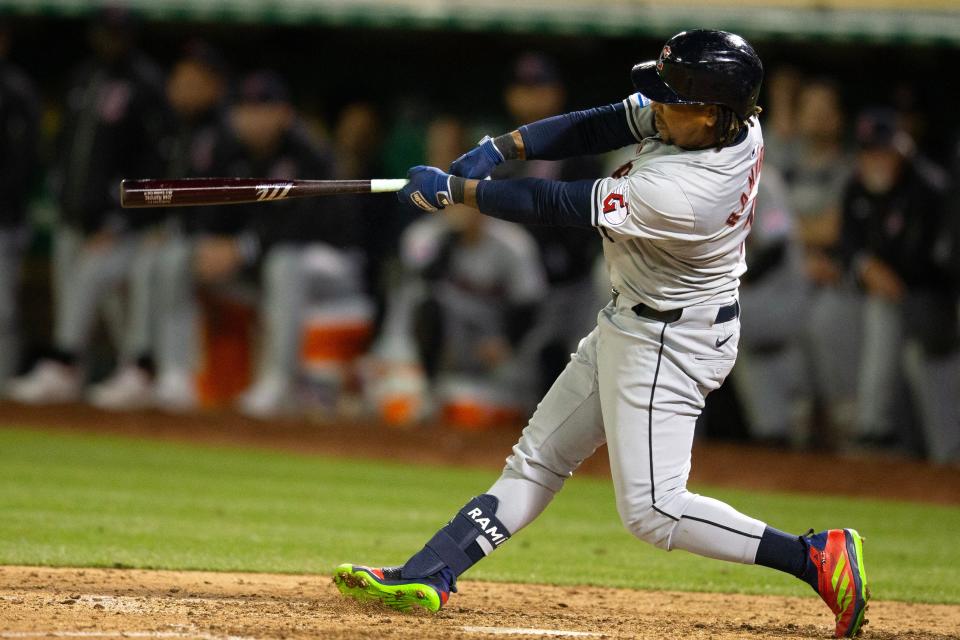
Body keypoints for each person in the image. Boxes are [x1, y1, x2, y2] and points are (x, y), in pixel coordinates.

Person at [333, 30, 869, 638]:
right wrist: (499, 147)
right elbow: (601, 124)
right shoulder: (721, 120)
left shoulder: (687, 192)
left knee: (654, 511)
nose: (657, 108)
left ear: (712, 113)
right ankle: (430, 572)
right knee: (536, 459)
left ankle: (815, 557)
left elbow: (559, 201)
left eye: (673, 101)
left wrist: (459, 193)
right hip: (635, 319)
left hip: (672, 343)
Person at [6, 9, 166, 404]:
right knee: (75, 296)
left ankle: (85, 365)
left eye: (118, 32)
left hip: (120, 223)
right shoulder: (83, 77)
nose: (110, 39)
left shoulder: (145, 84)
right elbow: (63, 145)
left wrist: (123, 217)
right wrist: (61, 196)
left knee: (100, 287)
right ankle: (79, 371)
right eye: (105, 31)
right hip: (74, 215)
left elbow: (153, 160)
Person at [87, 40, 233, 410]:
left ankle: (175, 371)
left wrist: (189, 233)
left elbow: (227, 203)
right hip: (166, 236)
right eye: (179, 77)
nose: (182, 85)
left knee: (164, 264)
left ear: (214, 85)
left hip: (213, 242)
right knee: (105, 266)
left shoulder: (224, 132)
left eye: (193, 79)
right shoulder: (169, 129)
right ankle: (136, 365)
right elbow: (153, 195)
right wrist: (129, 227)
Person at [840, 107, 959, 464]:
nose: (873, 160)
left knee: (902, 337)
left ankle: (878, 430)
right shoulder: (857, 186)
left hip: (935, 304)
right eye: (866, 151)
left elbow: (938, 266)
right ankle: (868, 427)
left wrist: (881, 270)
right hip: (889, 300)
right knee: (841, 317)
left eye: (881, 150)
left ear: (900, 148)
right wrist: (865, 265)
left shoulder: (929, 189)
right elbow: (848, 246)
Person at [0, 24, 40, 389]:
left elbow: (23, 163)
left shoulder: (17, 92)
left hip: (4, 219)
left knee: (2, 310)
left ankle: (4, 392)